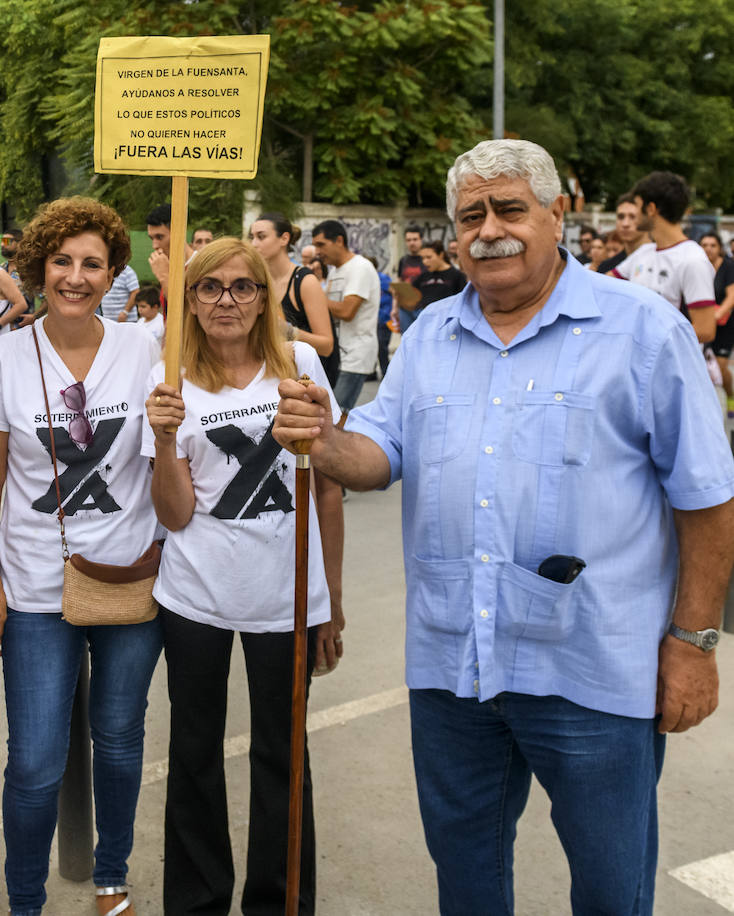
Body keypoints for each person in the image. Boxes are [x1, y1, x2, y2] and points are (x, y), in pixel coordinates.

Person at [274, 138, 734, 914]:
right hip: (455, 665)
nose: (490, 229)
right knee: (468, 879)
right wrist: (325, 439)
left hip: (594, 669)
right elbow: (379, 449)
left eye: (510, 209)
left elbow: (708, 499)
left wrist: (693, 643)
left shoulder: (642, 331)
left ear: (558, 214)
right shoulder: (429, 338)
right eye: (471, 215)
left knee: (611, 887)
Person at [0, 196, 163, 916]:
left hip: (130, 578)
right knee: (36, 761)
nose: (76, 277)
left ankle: (111, 877)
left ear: (113, 272)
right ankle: (26, 901)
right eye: (63, 261)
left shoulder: (145, 348)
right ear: (39, 266)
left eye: (93, 263)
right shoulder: (7, 356)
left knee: (118, 739)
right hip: (34, 588)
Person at [143, 237, 344, 915]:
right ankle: (198, 901)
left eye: (242, 286)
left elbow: (328, 491)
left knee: (283, 757)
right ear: (190, 301)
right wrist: (165, 441)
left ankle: (280, 902)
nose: (226, 300)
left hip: (286, 599)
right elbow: (173, 515)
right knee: (194, 755)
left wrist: (331, 601)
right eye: (209, 287)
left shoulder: (301, 365)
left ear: (264, 296)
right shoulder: (170, 375)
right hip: (195, 595)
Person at [611, 171, 717, 343]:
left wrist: (645, 341)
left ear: (651, 209)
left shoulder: (692, 259)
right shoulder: (644, 252)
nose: (634, 212)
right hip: (642, 366)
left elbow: (705, 330)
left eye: (637, 205)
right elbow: (602, 285)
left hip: (676, 367)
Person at [249, 212, 337, 385]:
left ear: (284, 239)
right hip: (272, 378)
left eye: (261, 237)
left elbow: (327, 346)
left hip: (308, 380)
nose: (253, 244)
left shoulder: (305, 281)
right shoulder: (256, 280)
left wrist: (288, 331)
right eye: (252, 237)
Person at [312, 219, 379, 410]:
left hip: (356, 356)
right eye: (315, 245)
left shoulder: (360, 267)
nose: (317, 251)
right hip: (337, 354)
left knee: (334, 413)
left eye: (321, 244)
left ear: (339, 241)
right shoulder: (334, 272)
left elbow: (346, 311)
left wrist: (313, 296)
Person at [702, 231, 734, 415]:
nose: (708, 249)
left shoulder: (729, 267)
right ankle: (708, 408)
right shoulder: (698, 267)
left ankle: (730, 394)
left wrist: (718, 314)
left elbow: (732, 296)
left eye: (712, 245)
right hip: (704, 323)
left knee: (720, 366)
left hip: (725, 322)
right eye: (704, 245)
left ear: (719, 248)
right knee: (703, 367)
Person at [406, 239, 468, 329]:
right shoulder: (423, 276)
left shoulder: (457, 275)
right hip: (425, 323)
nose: (425, 262)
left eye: (429, 257)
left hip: (448, 325)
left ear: (441, 255)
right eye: (422, 258)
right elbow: (412, 295)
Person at [145, 203, 194, 302]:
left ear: (179, 232)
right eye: (151, 238)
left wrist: (164, 277)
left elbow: (185, 312)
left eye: (160, 237)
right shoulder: (170, 266)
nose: (154, 246)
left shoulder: (202, 267)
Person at [597, 193, 649, 274]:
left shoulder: (663, 261)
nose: (625, 224)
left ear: (647, 219)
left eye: (632, 217)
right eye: (621, 217)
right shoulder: (606, 267)